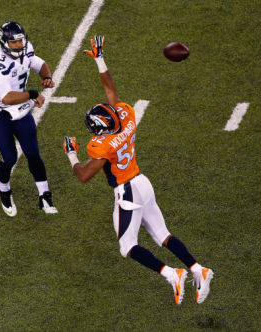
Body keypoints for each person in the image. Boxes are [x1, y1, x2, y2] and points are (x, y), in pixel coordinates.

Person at [63, 35, 213, 304]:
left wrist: (72, 155)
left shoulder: (102, 146)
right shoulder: (126, 116)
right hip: (142, 182)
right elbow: (112, 93)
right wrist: (100, 59)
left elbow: (84, 175)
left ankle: (172, 274)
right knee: (162, 235)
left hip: (128, 192)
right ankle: (198, 269)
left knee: (127, 246)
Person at [0, 21, 58, 216]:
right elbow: (7, 98)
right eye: (14, 42)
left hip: (21, 111)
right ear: (4, 42)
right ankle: (4, 189)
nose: (18, 45)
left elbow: (40, 63)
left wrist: (47, 76)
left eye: (20, 41)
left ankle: (44, 195)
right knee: (9, 158)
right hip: (0, 112)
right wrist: (33, 94)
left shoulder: (27, 50)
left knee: (33, 154)